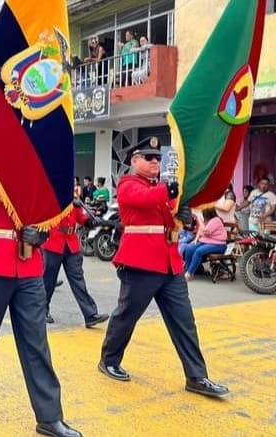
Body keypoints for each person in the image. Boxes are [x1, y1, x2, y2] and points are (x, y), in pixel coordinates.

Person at [98, 136, 229, 398]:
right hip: (141, 263)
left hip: (170, 264)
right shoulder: (127, 184)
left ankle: (197, 376)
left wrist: (186, 216)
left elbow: (175, 213)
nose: (155, 162)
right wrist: (172, 191)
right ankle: (109, 360)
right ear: (134, 160)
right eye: (149, 157)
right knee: (127, 316)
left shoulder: (161, 188)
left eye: (158, 158)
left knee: (185, 322)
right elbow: (145, 198)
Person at [0, 162, 82, 437]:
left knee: (36, 342)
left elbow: (49, 209)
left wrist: (43, 233)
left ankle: (49, 416)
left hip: (29, 267)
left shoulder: (33, 168)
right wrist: (26, 173)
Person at [42, 199, 110, 328]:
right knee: (48, 281)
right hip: (54, 243)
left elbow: (82, 217)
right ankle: (42, 311)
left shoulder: (73, 199)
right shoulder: (54, 197)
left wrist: (90, 222)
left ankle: (90, 315)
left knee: (79, 281)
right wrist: (67, 202)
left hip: (71, 245)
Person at [182, 207, 228, 280]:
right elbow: (200, 230)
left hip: (218, 245)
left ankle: (189, 273)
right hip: (206, 242)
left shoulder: (216, 220)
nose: (203, 215)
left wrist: (199, 220)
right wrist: (195, 240)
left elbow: (206, 231)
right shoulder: (207, 221)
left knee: (199, 251)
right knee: (189, 248)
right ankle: (188, 270)